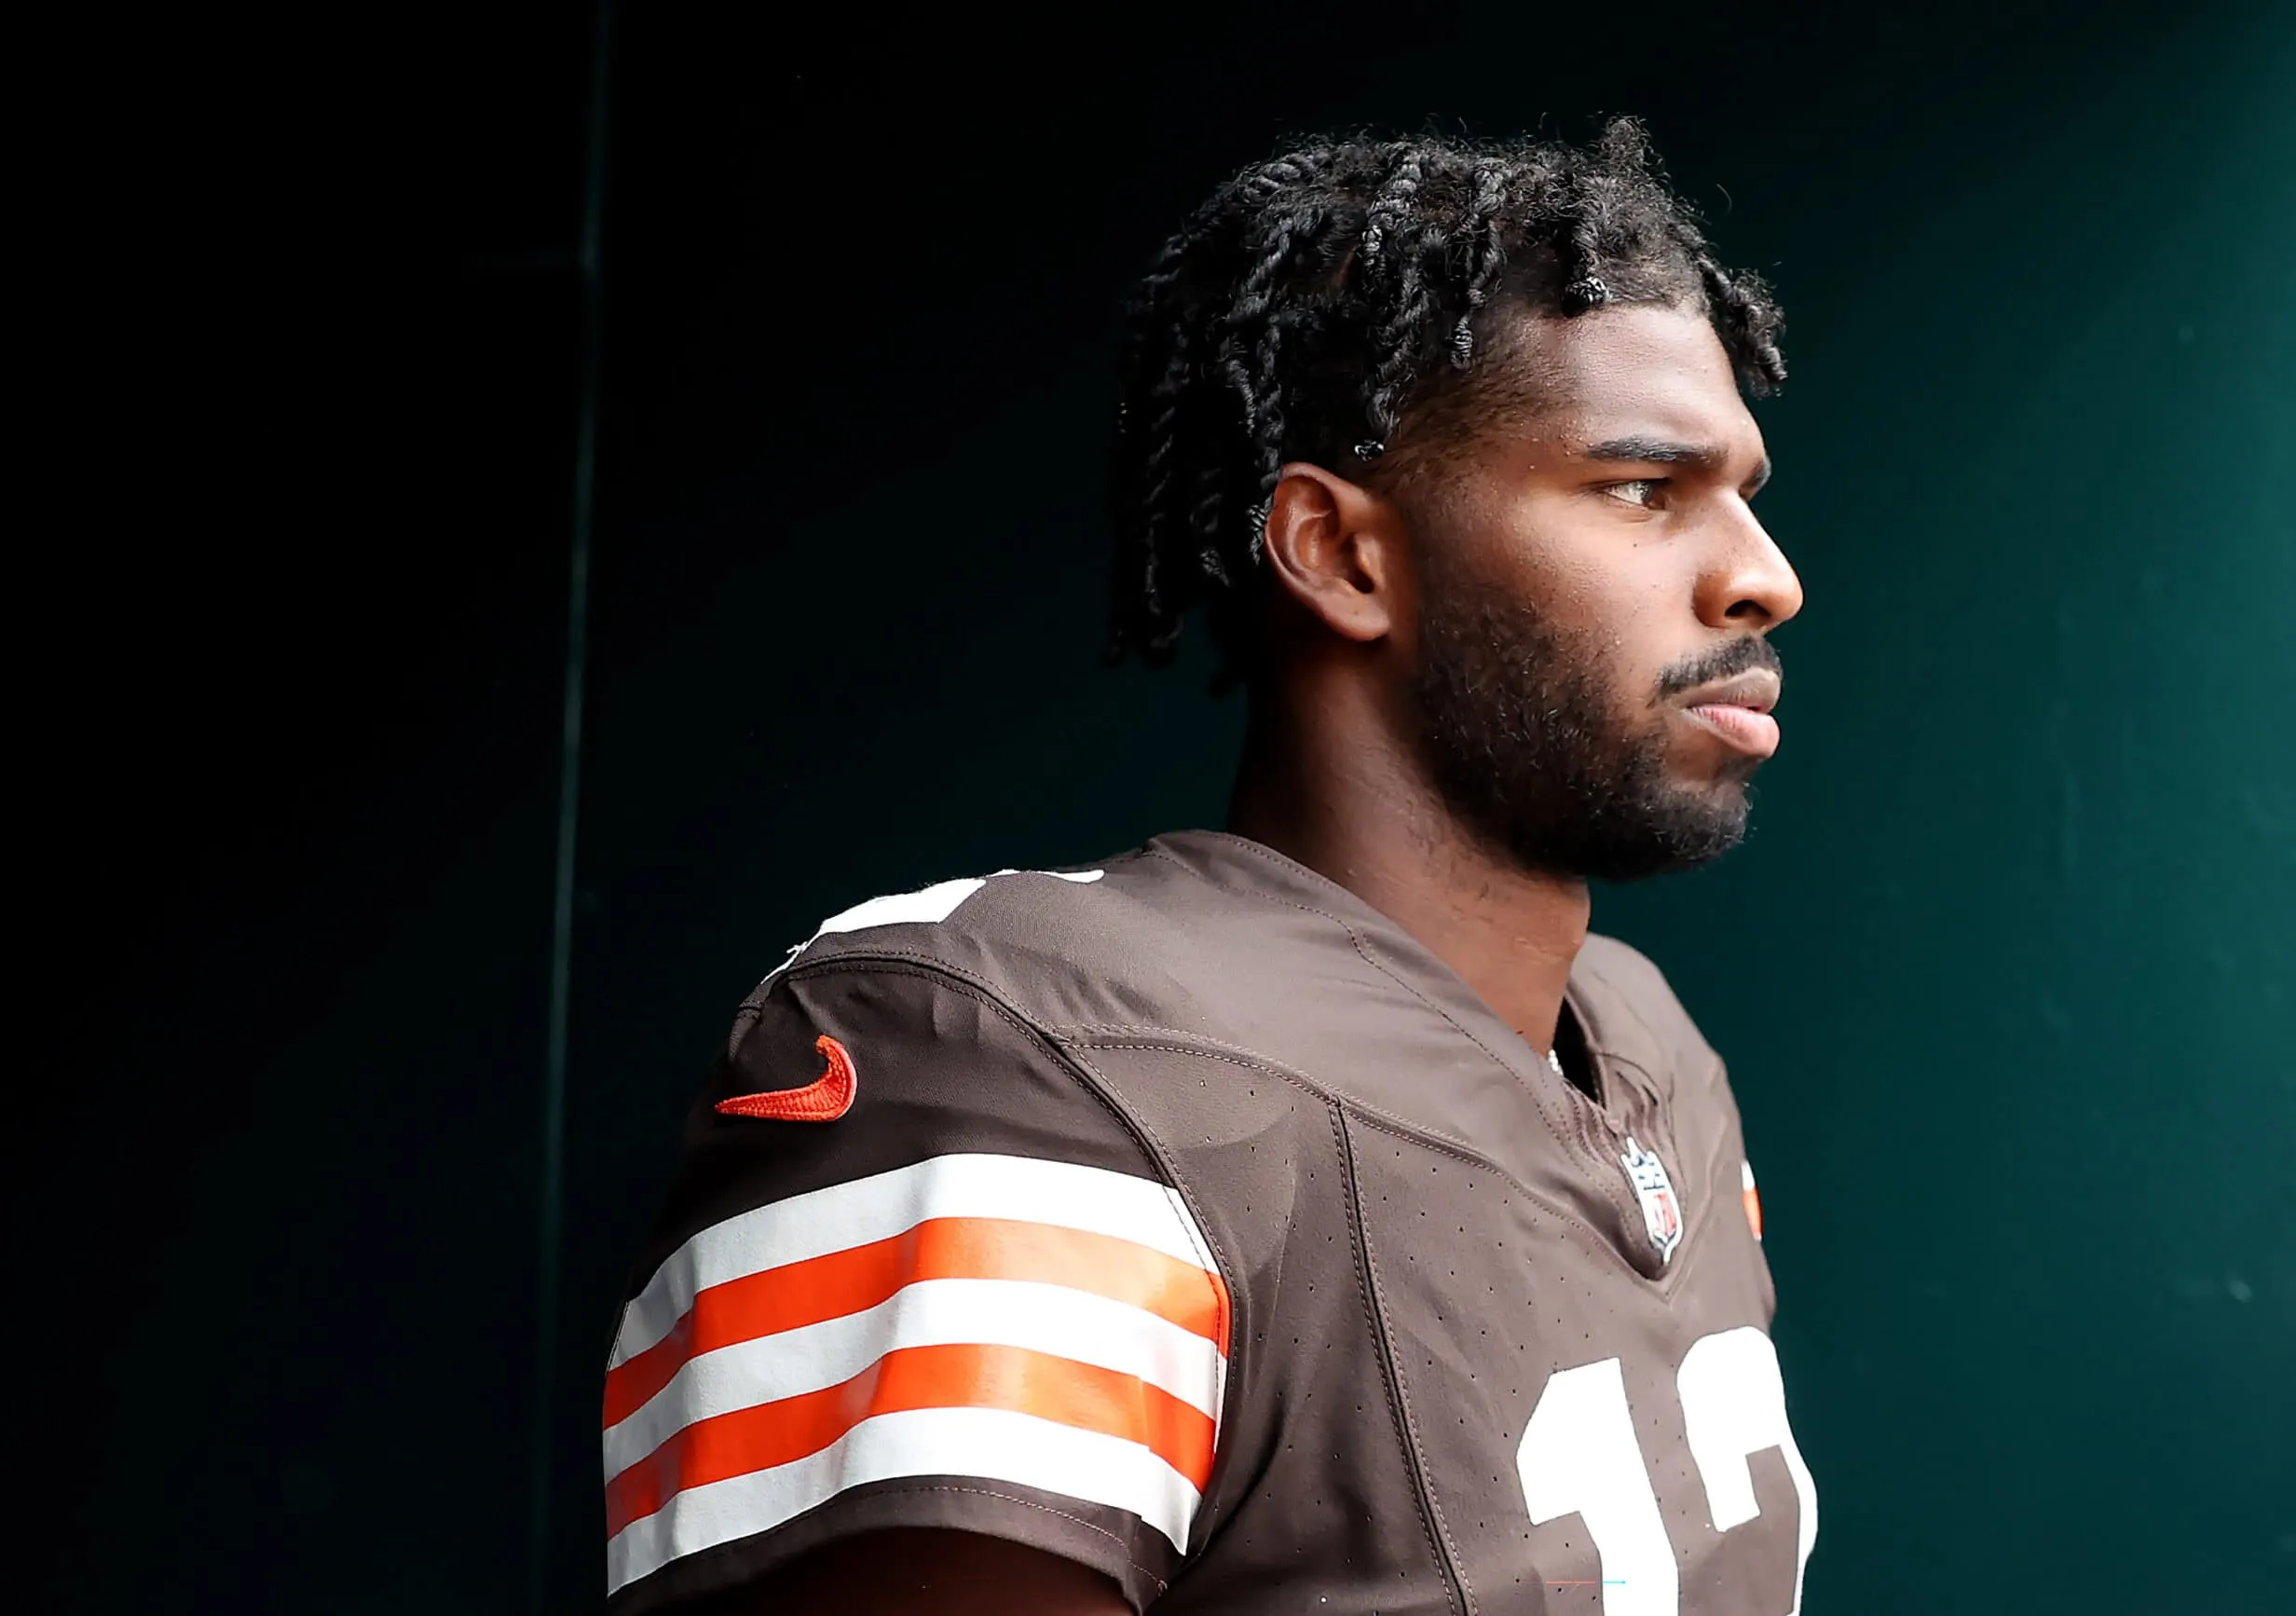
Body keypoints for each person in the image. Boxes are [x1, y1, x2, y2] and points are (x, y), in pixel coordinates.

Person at [602, 116, 1813, 1615]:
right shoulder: (1024, 1051)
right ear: (1342, 554)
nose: (1764, 573)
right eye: (1644, 489)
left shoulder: (1651, 1055)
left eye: (1747, 490)